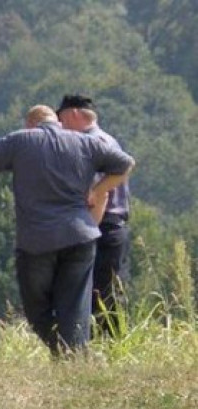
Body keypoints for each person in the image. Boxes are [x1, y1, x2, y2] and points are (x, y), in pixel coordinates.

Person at [0, 105, 135, 355]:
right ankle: (75, 354)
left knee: (36, 309)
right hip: (81, 236)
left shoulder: (21, 140)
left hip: (38, 240)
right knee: (75, 305)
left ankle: (67, 353)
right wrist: (98, 190)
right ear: (56, 122)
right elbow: (125, 164)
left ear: (30, 124)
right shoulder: (85, 142)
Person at [57, 94, 131, 333]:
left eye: (62, 120)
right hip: (113, 225)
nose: (62, 127)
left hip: (101, 224)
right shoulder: (108, 139)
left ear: (74, 114)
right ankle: (111, 343)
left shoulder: (90, 144)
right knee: (109, 290)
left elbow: (100, 195)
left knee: (101, 293)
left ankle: (108, 345)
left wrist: (87, 232)